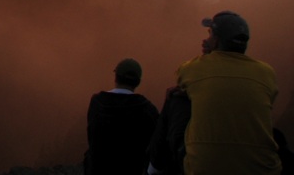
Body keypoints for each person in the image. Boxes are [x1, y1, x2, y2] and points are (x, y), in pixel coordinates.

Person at [176, 10, 281, 174]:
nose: (206, 39)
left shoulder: (193, 68)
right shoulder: (267, 73)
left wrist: (208, 54)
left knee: (176, 101)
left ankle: (154, 167)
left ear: (216, 42)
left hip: (203, 169)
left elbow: (183, 80)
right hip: (262, 170)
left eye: (210, 34)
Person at [85, 58, 159, 175]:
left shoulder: (97, 103)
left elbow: (91, 136)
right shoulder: (147, 110)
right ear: (138, 82)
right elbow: (155, 146)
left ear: (116, 77)